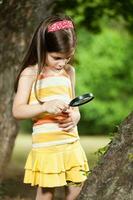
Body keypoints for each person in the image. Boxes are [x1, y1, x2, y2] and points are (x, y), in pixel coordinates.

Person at [12, 14, 89, 200]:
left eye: (68, 57)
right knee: (46, 194)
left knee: (77, 190)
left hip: (71, 143)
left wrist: (76, 116)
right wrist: (44, 106)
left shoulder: (69, 71)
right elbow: (18, 110)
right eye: (57, 57)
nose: (62, 63)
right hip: (47, 148)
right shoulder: (30, 74)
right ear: (43, 48)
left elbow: (74, 104)